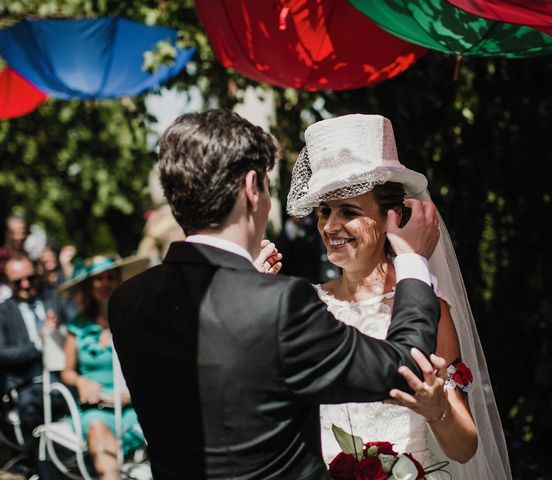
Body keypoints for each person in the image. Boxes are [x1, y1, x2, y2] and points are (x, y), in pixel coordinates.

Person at [108, 109, 442, 480]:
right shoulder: (280, 305)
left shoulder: (128, 301)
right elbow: (405, 368)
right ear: (252, 187)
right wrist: (413, 261)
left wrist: (246, 286)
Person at [286, 113, 512, 479]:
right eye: (324, 211)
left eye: (349, 211)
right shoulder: (304, 306)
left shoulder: (427, 307)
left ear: (391, 217)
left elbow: (465, 447)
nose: (329, 226)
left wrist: (438, 409)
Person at [57, 255, 149, 480]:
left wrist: (133, 393)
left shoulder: (135, 320)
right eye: (99, 279)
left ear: (118, 280)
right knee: (98, 431)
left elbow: (150, 364)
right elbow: (66, 371)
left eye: (110, 277)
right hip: (97, 407)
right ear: (90, 286)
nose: (105, 283)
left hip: (135, 406)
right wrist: (81, 382)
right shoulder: (78, 327)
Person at [0, 252, 66, 479]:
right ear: (9, 282)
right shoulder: (3, 311)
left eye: (30, 278)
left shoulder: (54, 298)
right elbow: (2, 353)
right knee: (29, 410)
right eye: (19, 281)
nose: (26, 285)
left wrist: (59, 332)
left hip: (63, 377)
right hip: (27, 384)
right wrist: (39, 343)